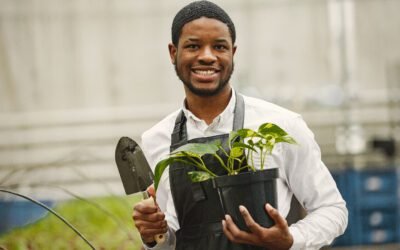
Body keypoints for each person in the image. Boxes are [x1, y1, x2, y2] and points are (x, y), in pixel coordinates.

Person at [132, 1, 348, 249]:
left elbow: (332, 209)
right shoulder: (156, 139)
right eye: (193, 46)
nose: (207, 56)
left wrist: (290, 239)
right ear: (173, 53)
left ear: (232, 53)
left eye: (219, 47)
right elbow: (172, 240)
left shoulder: (282, 125)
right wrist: (153, 235)